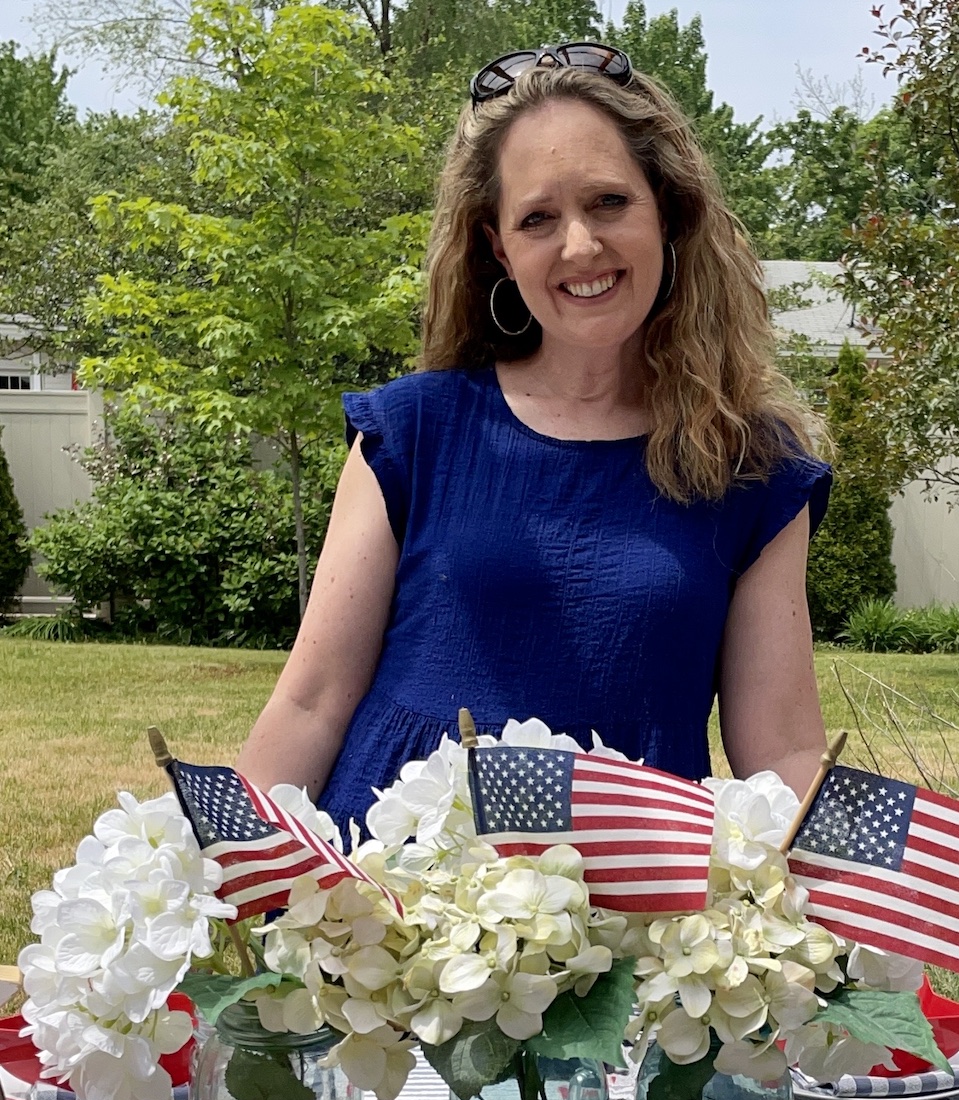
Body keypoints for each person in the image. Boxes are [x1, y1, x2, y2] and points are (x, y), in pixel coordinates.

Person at [238, 42, 834, 838]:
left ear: (668, 208)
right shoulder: (414, 432)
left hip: (628, 916)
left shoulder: (753, 468)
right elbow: (310, 704)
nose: (580, 246)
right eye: (538, 219)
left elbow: (784, 752)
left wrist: (892, 896)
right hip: (391, 898)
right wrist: (219, 875)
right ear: (499, 247)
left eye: (610, 203)